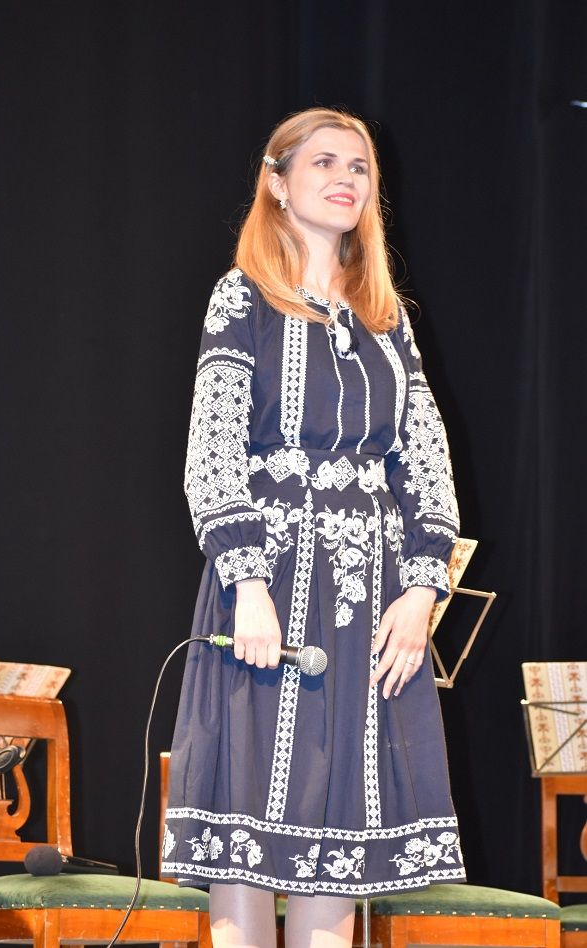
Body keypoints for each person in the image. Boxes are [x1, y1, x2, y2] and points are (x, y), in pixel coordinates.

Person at [162, 107, 465, 948]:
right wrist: (247, 587)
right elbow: (211, 454)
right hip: (266, 585)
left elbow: (425, 459)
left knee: (340, 841)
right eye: (323, 162)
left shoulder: (386, 316)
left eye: (358, 167)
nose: (345, 178)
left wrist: (422, 589)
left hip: (369, 596)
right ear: (276, 182)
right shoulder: (241, 298)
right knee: (248, 822)